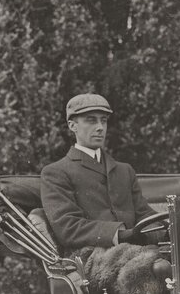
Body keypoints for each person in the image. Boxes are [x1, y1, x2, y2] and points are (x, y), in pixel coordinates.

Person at [41, 93, 157, 253]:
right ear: (72, 125)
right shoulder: (56, 172)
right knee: (159, 266)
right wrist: (120, 234)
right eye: (91, 120)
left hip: (137, 252)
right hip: (91, 258)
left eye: (103, 120)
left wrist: (168, 228)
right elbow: (68, 227)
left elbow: (144, 213)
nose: (100, 127)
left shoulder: (124, 170)